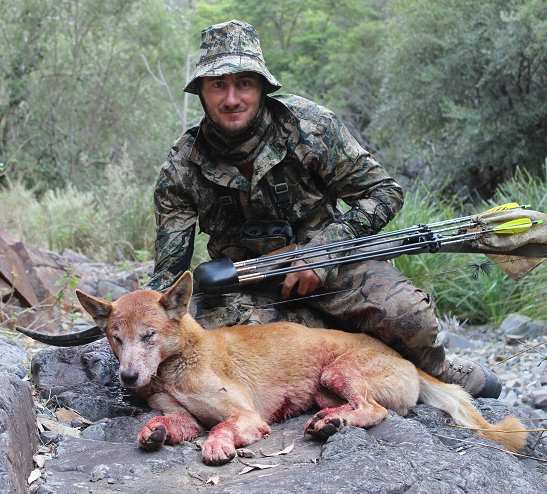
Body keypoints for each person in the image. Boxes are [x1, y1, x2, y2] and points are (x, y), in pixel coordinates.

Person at [147, 19, 501, 399]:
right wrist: (131, 326)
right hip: (248, 290)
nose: (231, 98)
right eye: (218, 84)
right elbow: (168, 276)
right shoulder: (181, 167)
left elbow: (384, 191)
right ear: (200, 90)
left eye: (244, 83)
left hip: (337, 266)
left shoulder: (310, 126)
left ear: (263, 87)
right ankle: (350, 355)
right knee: (207, 343)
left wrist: (323, 251)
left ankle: (437, 369)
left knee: (407, 316)